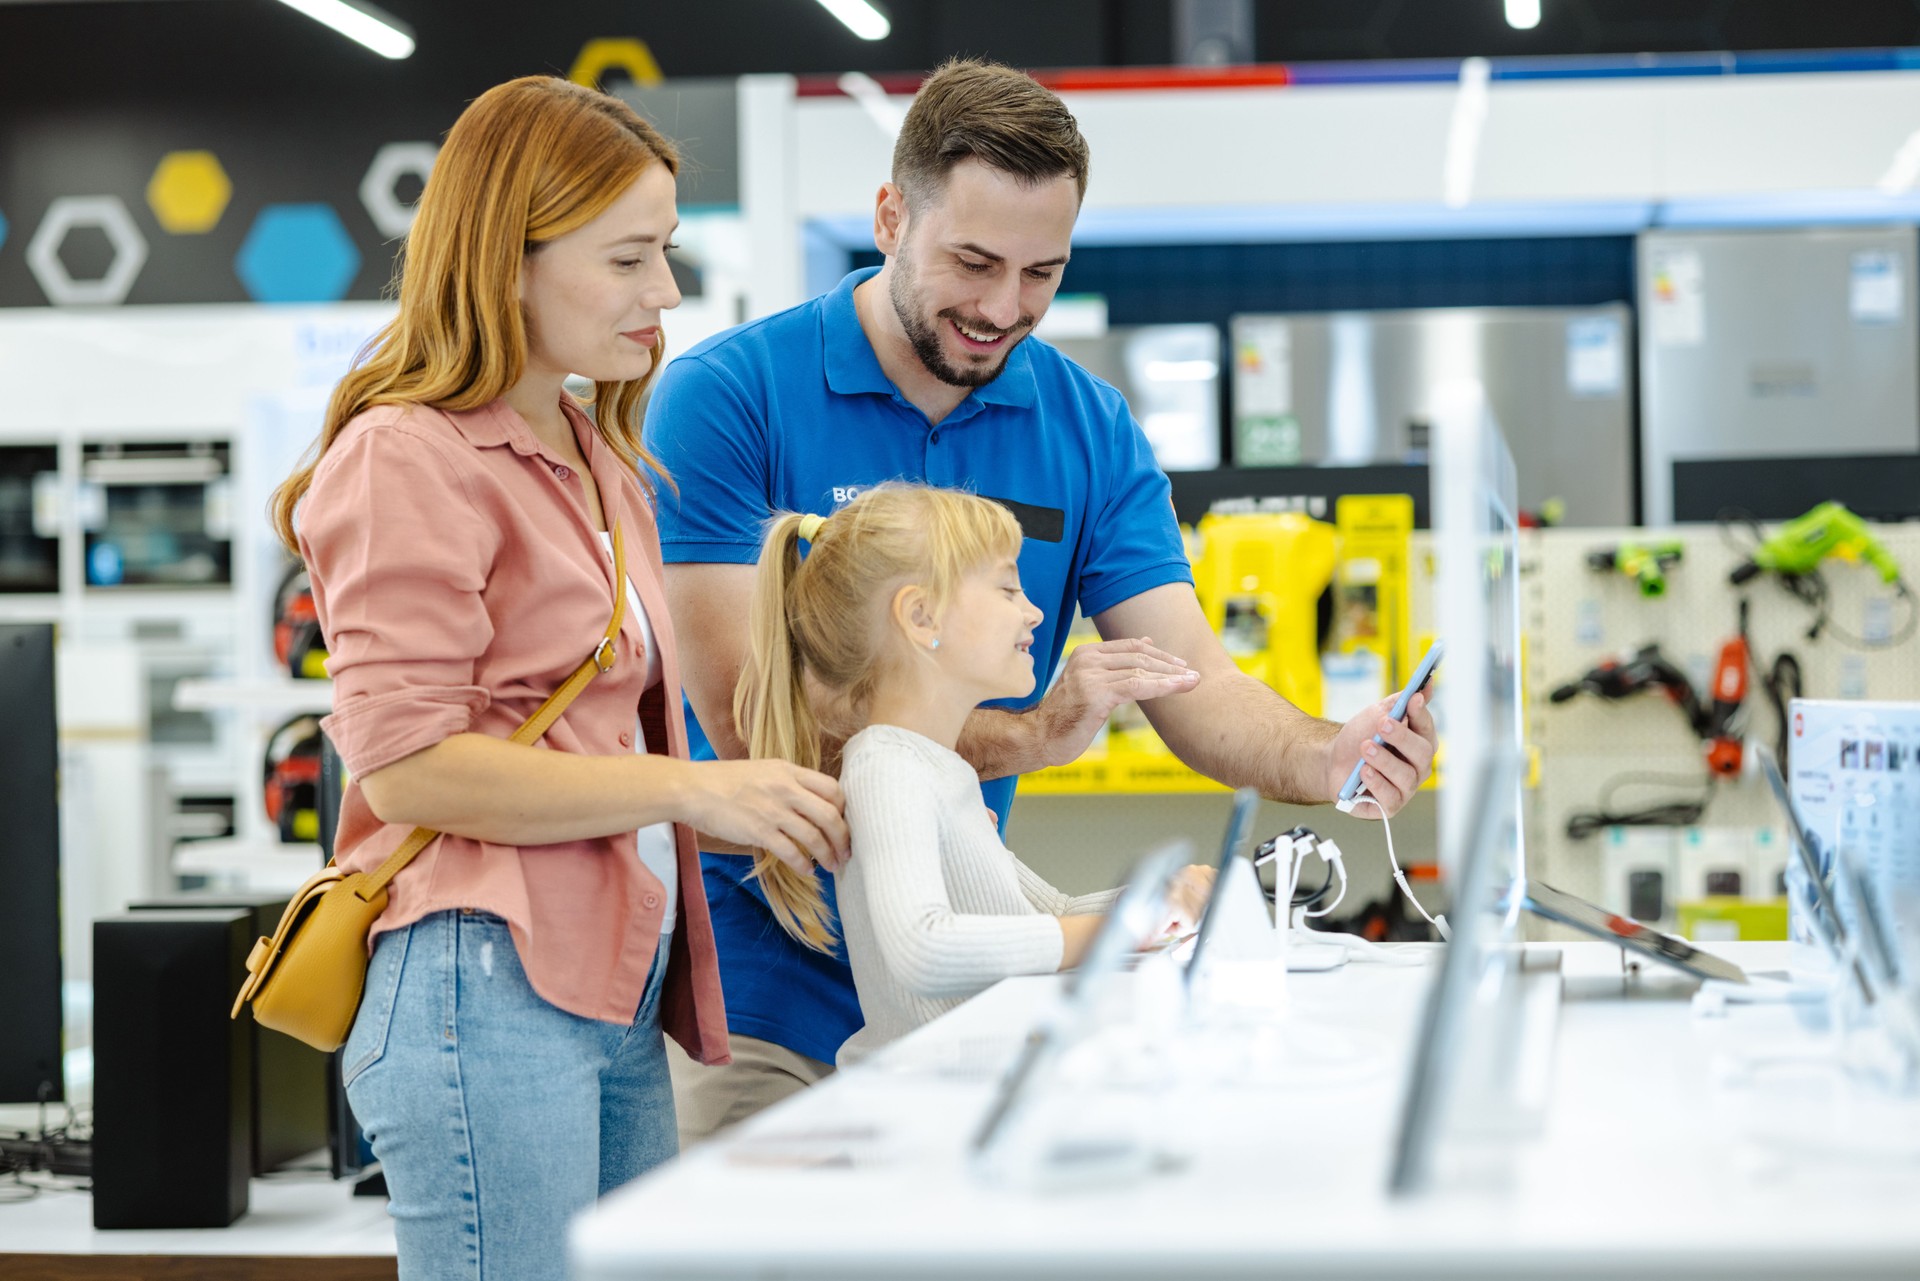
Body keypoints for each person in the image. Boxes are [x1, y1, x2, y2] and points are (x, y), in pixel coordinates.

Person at [644, 58, 1436, 1141]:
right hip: (757, 1005)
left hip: (970, 1003)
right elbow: (755, 724)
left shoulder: (1088, 428)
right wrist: (1029, 737)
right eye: (973, 262)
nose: (1002, 308)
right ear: (889, 216)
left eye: (1041, 273)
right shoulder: (728, 398)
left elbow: (1190, 680)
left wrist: (1326, 756)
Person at [271, 76, 848, 1281]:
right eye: (629, 259)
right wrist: (692, 792)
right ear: (507, 260)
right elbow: (413, 768)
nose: (667, 294)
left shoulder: (599, 458)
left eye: (667, 253)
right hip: (478, 988)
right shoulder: (406, 456)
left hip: (611, 993)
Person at [735, 483, 1219, 1062]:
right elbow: (923, 948)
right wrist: (1128, 926)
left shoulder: (937, 770)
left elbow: (1051, 914)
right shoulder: (887, 767)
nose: (1034, 610)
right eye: (1008, 587)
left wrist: (1171, 902)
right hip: (925, 1113)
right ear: (921, 617)